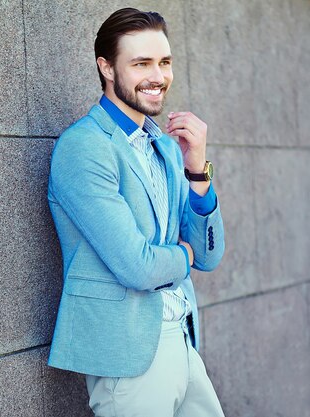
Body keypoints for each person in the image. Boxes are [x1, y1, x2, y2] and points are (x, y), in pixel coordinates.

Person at [47, 7, 226, 417]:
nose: (157, 76)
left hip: (182, 339)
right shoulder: (85, 147)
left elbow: (211, 254)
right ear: (106, 68)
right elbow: (138, 267)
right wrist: (185, 256)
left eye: (164, 62)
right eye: (141, 63)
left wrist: (197, 169)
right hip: (128, 352)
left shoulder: (163, 145)